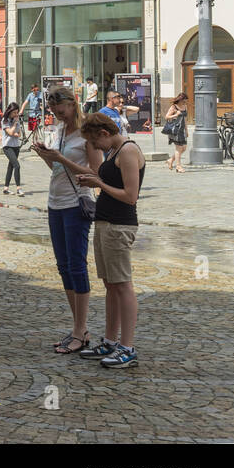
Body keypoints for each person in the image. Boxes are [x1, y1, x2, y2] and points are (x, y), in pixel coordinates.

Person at [31, 88, 102, 357]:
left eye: (61, 110)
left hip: (77, 204)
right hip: (55, 202)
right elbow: (61, 170)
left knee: (76, 265)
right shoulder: (59, 131)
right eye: (53, 111)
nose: (57, 115)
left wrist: (60, 158)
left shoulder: (87, 134)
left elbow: (95, 174)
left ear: (73, 105)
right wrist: (48, 158)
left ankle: (81, 330)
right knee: (63, 267)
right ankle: (78, 329)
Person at [74, 111, 145, 369]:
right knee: (110, 284)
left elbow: (130, 196)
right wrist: (95, 180)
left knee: (122, 284)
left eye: (95, 143)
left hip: (119, 224)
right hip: (104, 222)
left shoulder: (127, 151)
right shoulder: (113, 152)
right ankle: (111, 341)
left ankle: (127, 348)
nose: (94, 148)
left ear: (104, 133)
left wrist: (99, 184)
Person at [0, 102, 25, 197]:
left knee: (11, 167)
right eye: (14, 112)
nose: (16, 114)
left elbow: (18, 134)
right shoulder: (4, 120)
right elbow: (10, 132)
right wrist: (14, 124)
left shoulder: (17, 120)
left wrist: (15, 130)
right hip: (7, 146)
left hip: (16, 146)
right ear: (9, 111)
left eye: (17, 112)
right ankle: (19, 188)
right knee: (17, 166)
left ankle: (6, 188)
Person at [164, 92, 188, 173]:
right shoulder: (174, 107)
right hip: (175, 130)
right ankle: (178, 166)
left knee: (184, 148)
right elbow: (166, 117)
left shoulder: (185, 107)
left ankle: (170, 160)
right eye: (184, 101)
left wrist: (186, 130)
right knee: (179, 148)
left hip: (182, 130)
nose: (185, 102)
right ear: (180, 100)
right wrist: (175, 115)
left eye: (186, 101)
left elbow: (185, 119)